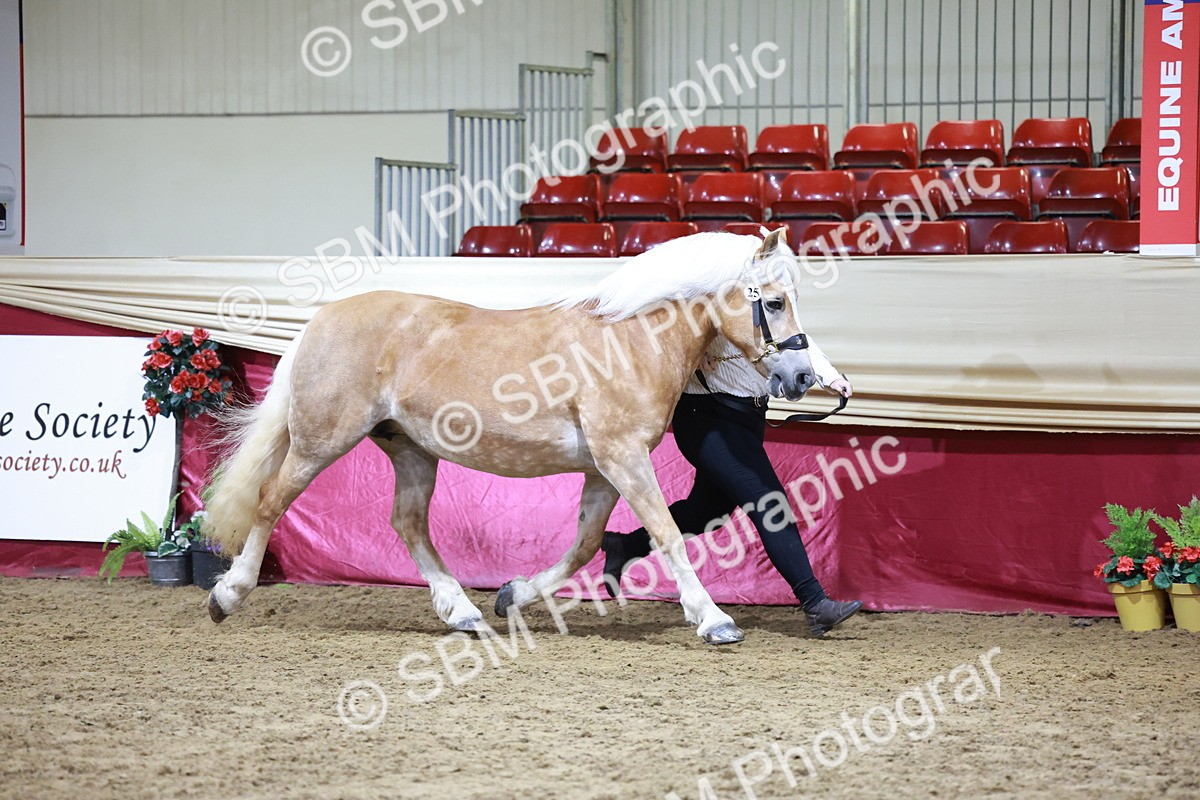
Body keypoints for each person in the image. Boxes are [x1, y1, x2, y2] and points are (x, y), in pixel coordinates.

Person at [601, 327, 863, 638]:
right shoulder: (707, 299)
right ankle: (816, 604)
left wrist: (829, 376)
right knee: (770, 504)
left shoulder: (758, 300)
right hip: (707, 419)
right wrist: (692, 354)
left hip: (747, 418)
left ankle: (625, 545)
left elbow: (793, 337)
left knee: (707, 513)